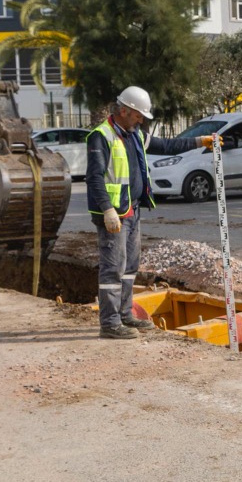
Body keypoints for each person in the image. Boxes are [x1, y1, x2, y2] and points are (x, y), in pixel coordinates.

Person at [87, 86, 156, 339]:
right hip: (114, 215)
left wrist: (199, 141)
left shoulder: (133, 134)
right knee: (112, 269)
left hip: (132, 210)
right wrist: (107, 210)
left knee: (129, 267)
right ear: (124, 110)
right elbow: (94, 178)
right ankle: (110, 323)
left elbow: (164, 144)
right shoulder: (101, 136)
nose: (141, 120)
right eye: (138, 115)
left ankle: (126, 314)